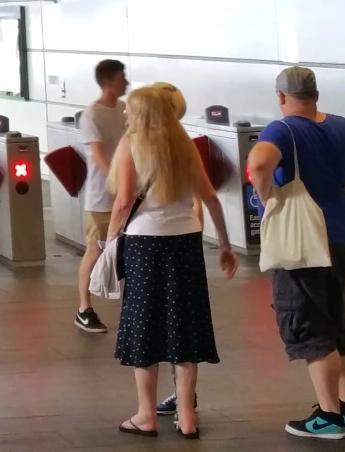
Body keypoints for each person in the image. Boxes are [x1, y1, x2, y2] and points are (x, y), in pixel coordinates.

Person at [251, 67, 345, 440]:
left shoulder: (283, 129)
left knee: (311, 328)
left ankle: (327, 417)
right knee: (338, 323)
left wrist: (266, 199)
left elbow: (259, 163)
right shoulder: (343, 126)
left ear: (281, 97)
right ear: (316, 94)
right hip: (339, 239)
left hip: (300, 245)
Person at [107, 82, 237, 439]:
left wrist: (109, 240)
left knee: (144, 324)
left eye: (129, 107)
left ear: (141, 112)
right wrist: (225, 244)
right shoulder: (185, 146)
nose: (124, 112)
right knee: (185, 322)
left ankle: (146, 415)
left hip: (145, 244)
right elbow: (210, 198)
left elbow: (122, 203)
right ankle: (187, 416)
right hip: (186, 243)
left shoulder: (130, 145)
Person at [75, 58, 131, 334]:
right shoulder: (92, 115)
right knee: (96, 250)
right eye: (122, 77)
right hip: (101, 198)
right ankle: (84, 309)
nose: (126, 82)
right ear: (108, 81)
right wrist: (118, 181)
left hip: (126, 194)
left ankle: (133, 306)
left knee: (131, 250)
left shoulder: (124, 109)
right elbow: (98, 155)